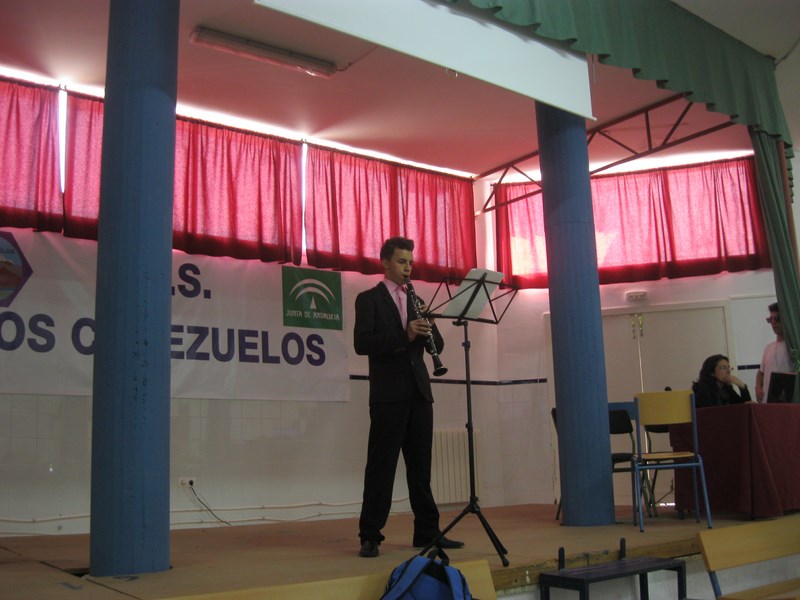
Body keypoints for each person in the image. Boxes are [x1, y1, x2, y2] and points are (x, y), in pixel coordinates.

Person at [353, 236, 463, 558]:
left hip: (419, 393)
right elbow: (363, 343)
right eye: (402, 262)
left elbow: (436, 346)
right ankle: (370, 535)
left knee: (421, 468)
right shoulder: (369, 299)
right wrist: (406, 334)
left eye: (410, 262)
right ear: (385, 263)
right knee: (381, 467)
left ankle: (427, 532)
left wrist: (430, 322)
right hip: (388, 395)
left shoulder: (417, 300)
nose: (407, 268)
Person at [755, 302, 794, 402]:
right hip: (768, 402)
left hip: (789, 402)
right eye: (770, 319)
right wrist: (758, 387)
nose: (773, 322)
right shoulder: (768, 348)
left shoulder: (794, 348)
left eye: (777, 319)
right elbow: (761, 372)